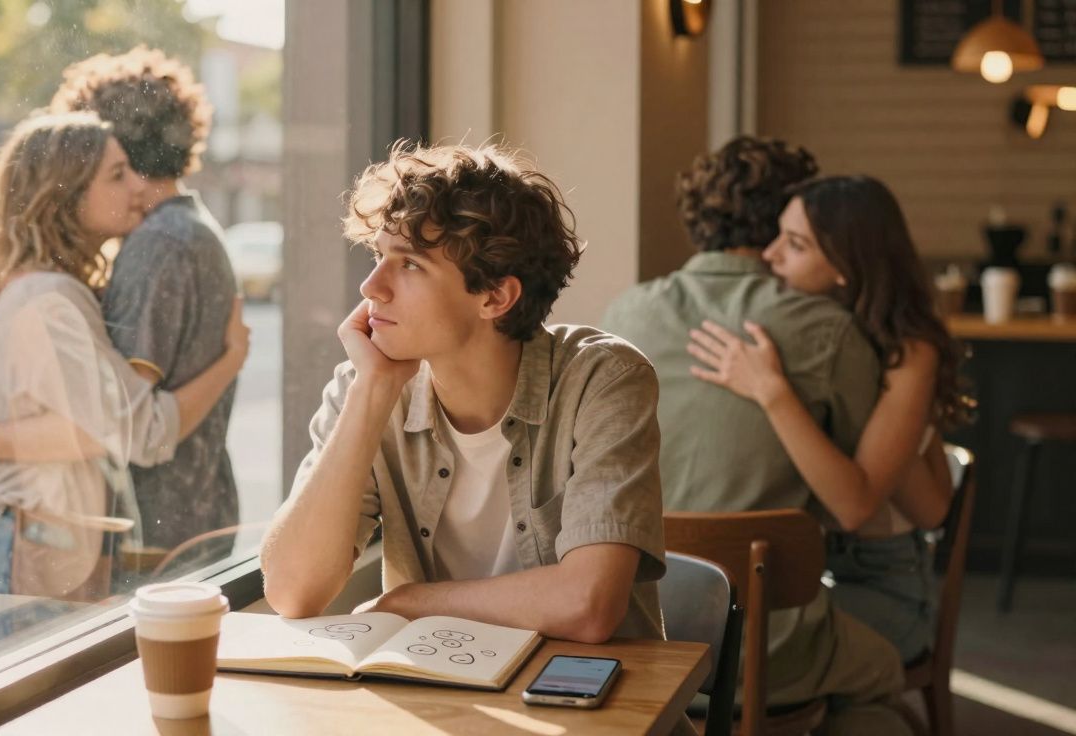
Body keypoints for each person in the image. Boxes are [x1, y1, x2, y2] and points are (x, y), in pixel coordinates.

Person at [260, 142, 672, 649]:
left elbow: (587, 606)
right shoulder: (364, 386)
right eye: (378, 256)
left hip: (593, 705)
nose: (372, 287)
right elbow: (291, 592)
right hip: (448, 697)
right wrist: (372, 393)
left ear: (495, 296)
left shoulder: (602, 380)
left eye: (409, 265)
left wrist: (408, 604)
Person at [601, 137, 909, 734]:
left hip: (639, 632)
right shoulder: (829, 330)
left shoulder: (623, 316)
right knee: (885, 676)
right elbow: (858, 499)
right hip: (771, 648)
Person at [0, 112, 248, 623]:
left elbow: (89, 430)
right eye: (116, 175)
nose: (136, 186)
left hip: (21, 548)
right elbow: (143, 432)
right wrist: (231, 359)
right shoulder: (50, 301)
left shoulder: (48, 290)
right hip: (16, 555)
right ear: (65, 193)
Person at [684, 175, 968, 664]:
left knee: (740, 653)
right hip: (808, 571)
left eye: (794, 245)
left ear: (845, 266)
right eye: (778, 235)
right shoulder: (805, 330)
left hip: (881, 582)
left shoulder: (908, 352)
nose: (769, 255)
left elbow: (872, 509)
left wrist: (771, 392)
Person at [47, 47, 244, 569]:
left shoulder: (158, 245)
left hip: (157, 535)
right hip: (195, 516)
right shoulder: (193, 228)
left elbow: (125, 422)